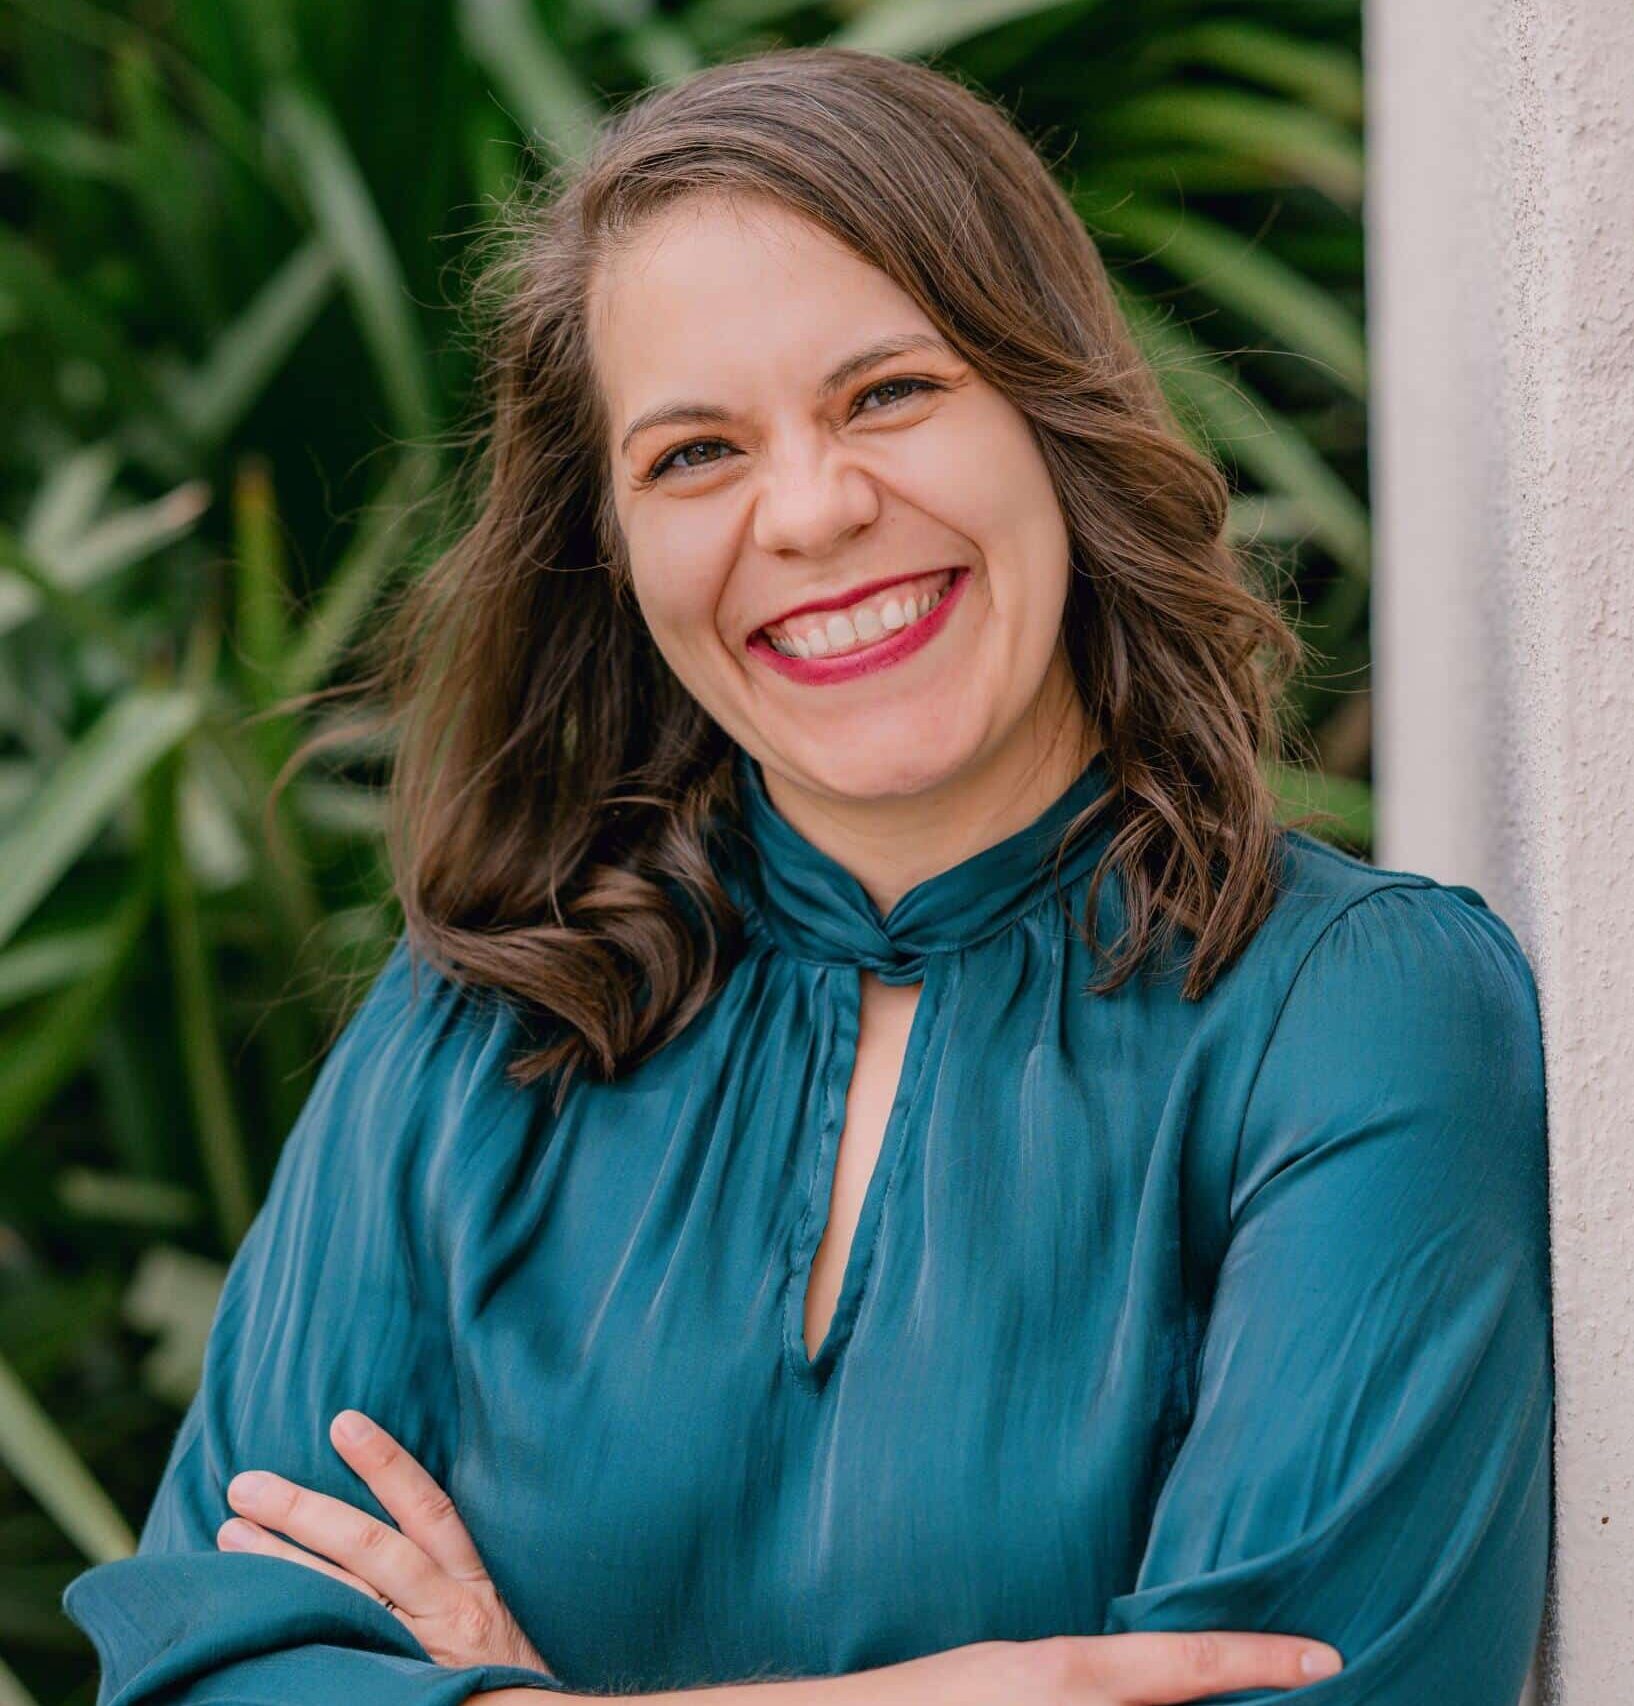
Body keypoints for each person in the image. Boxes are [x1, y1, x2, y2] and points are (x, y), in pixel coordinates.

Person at [61, 44, 1553, 1706]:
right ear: (611, 549)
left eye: (889, 393)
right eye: (692, 453)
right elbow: (198, 1675)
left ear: (1048, 408)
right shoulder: (472, 1040)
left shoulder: (1358, 1014)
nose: (814, 509)